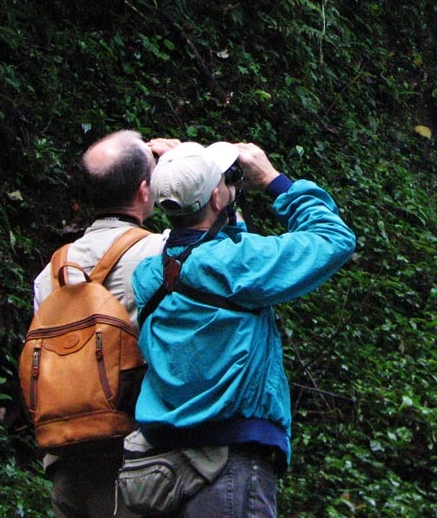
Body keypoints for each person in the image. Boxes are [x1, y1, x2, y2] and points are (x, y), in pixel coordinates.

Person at [130, 141, 356, 518]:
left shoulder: (149, 275)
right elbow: (333, 238)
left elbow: (212, 259)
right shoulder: (238, 265)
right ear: (216, 198)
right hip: (229, 463)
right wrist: (272, 179)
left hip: (158, 466)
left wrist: (182, 171)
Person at [31, 129, 178, 518]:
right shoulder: (161, 252)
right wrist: (183, 166)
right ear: (146, 191)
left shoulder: (51, 272)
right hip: (136, 459)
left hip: (66, 456)